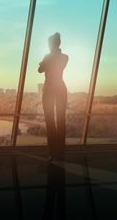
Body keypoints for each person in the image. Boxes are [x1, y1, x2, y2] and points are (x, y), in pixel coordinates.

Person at [38, 32, 68, 162]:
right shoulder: (65, 57)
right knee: (61, 120)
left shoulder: (47, 57)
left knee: (49, 120)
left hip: (49, 88)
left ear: (51, 44)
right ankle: (60, 153)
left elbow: (40, 70)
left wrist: (42, 63)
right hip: (61, 88)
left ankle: (52, 152)